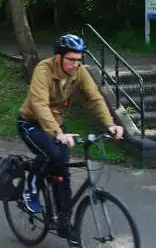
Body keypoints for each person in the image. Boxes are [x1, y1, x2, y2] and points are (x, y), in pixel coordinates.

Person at [16, 34, 124, 246]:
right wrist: (57, 133)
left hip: (56, 125)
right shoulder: (44, 70)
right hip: (31, 123)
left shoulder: (80, 72)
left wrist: (109, 124)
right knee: (52, 154)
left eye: (79, 59)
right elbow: (39, 104)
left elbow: (95, 98)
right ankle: (30, 188)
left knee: (61, 171)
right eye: (71, 59)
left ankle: (64, 222)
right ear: (59, 58)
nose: (76, 64)